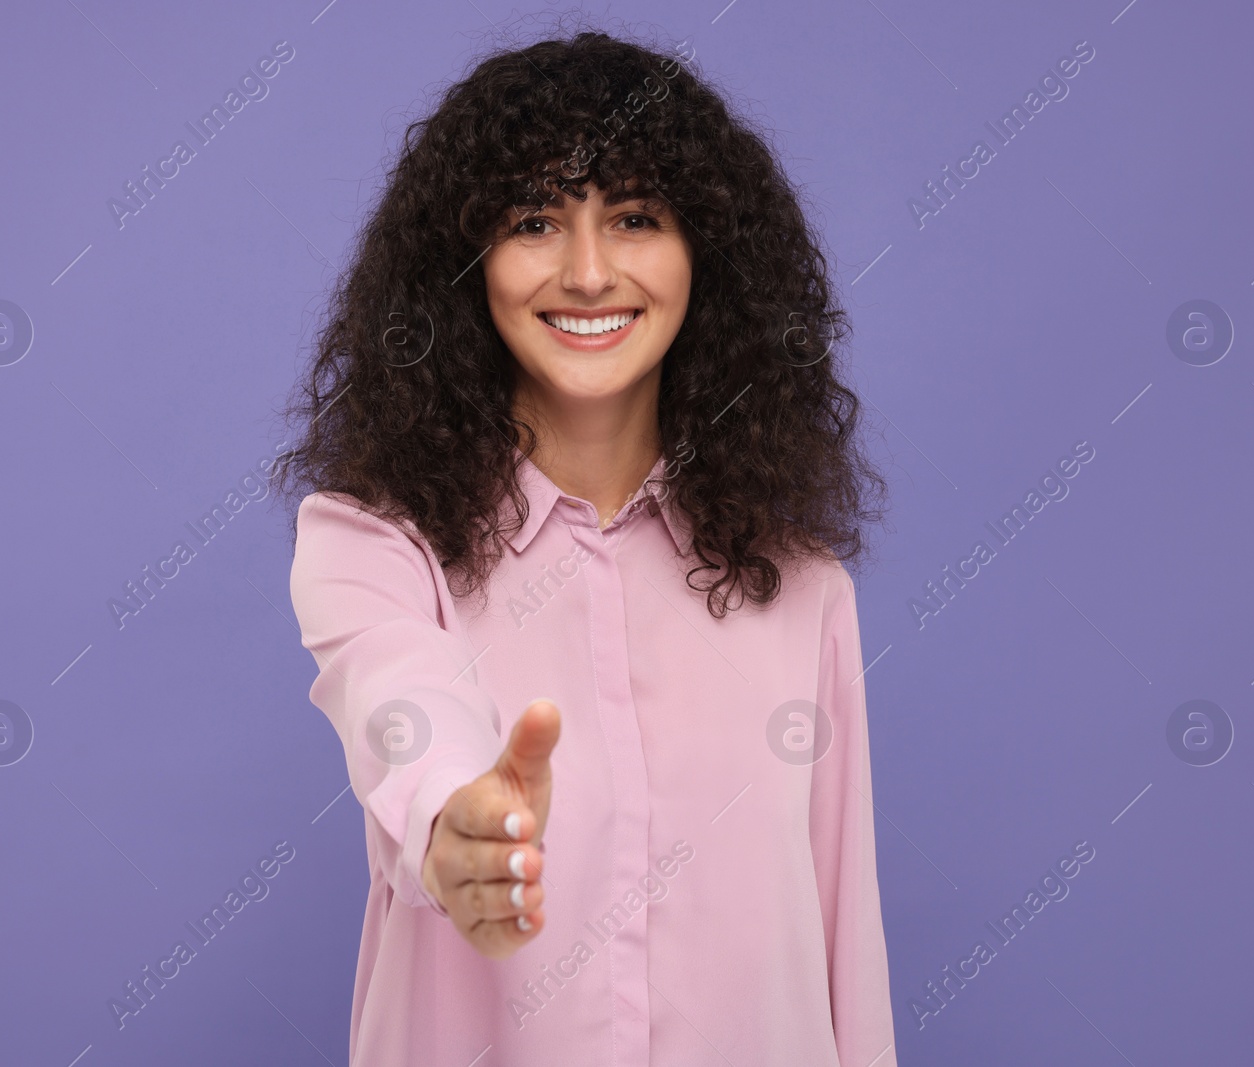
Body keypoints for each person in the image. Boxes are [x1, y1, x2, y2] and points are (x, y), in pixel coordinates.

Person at [275, 27, 896, 1067]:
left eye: (637, 217)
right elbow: (398, 700)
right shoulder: (371, 544)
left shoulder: (802, 584)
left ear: (707, 253)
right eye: (534, 221)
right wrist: (457, 819)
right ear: (465, 266)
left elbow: (846, 938)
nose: (590, 271)